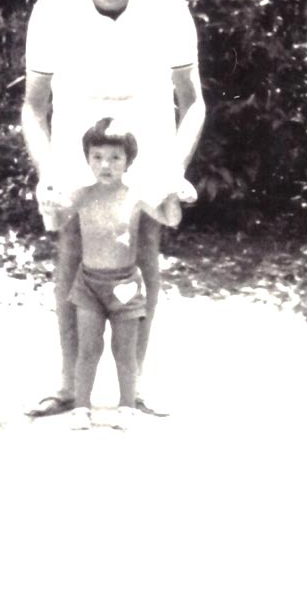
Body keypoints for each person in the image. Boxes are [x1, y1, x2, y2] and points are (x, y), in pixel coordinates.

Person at [21, 0, 205, 419]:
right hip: (77, 118)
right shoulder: (53, 9)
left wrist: (173, 169)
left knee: (142, 241)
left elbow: (192, 102)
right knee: (71, 242)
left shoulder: (168, 8)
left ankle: (135, 384)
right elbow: (34, 106)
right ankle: (67, 384)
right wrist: (47, 173)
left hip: (147, 118)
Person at [46, 116, 187, 428]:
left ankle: (127, 406)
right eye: (97, 157)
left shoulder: (135, 195)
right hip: (89, 284)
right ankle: (81, 408)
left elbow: (170, 219)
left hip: (125, 284)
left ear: (128, 161)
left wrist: (173, 196)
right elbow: (56, 223)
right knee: (88, 348)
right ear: (87, 159)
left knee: (125, 350)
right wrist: (48, 203)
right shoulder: (82, 195)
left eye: (114, 158)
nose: (105, 165)